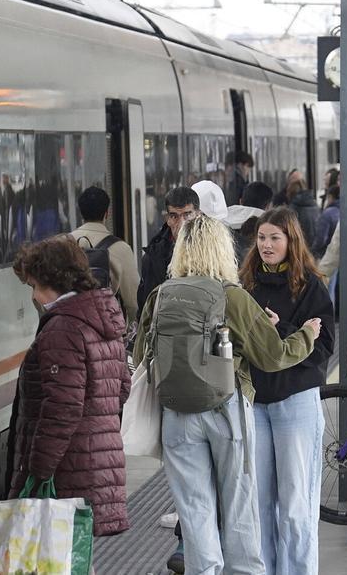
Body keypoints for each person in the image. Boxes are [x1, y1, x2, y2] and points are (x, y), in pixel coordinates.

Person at [134, 214, 320, 575]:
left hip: (175, 415)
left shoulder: (160, 296)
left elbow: (143, 355)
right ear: (222, 250)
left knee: (193, 508)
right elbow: (272, 356)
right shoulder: (232, 297)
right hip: (226, 410)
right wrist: (307, 336)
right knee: (239, 505)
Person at [9, 236, 131, 535]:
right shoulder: (102, 318)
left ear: (53, 280)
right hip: (99, 463)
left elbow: (61, 410)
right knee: (74, 558)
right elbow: (122, 388)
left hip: (68, 470)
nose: (35, 297)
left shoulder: (63, 328)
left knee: (58, 558)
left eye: (35, 286)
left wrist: (38, 472)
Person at [240, 208, 335, 575]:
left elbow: (323, 345)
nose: (266, 245)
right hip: (256, 401)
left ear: (290, 241)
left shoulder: (310, 284)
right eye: (262, 238)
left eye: (274, 238)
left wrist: (282, 329)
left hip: (296, 400)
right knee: (260, 503)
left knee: (296, 504)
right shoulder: (245, 282)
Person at [71, 186, 139, 328]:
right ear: (107, 213)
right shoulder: (121, 249)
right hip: (106, 330)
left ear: (81, 213)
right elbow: (133, 303)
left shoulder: (63, 244)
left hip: (70, 328)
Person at [137, 186, 199, 316]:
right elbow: (146, 309)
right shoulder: (153, 258)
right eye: (174, 216)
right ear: (168, 220)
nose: (181, 224)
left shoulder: (212, 251)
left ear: (198, 216)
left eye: (187, 215)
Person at [285, 179, 321, 252]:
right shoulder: (315, 205)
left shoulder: (292, 209)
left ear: (291, 192)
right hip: (313, 248)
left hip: (299, 248)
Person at [313, 184, 339, 257]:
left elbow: (321, 239)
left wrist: (313, 251)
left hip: (326, 255)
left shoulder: (327, 214)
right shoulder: (344, 211)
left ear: (330, 197)